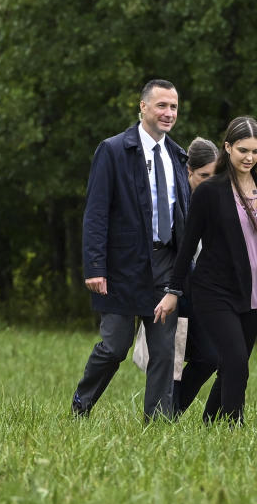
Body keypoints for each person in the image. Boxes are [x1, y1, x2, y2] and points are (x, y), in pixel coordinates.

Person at [154, 116, 257, 425]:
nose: (249, 158)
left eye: (256, 151)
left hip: (254, 295)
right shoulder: (211, 192)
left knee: (235, 364)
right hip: (214, 291)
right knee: (236, 362)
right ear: (227, 148)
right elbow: (187, 245)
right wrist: (173, 292)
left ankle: (211, 422)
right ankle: (234, 426)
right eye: (242, 150)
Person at [72, 79, 191, 420]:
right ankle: (82, 404)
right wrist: (94, 267)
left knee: (165, 350)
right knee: (115, 346)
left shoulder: (176, 155)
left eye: (174, 107)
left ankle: (158, 422)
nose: (169, 113)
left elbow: (183, 216)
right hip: (123, 266)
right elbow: (95, 213)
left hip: (165, 264)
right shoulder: (112, 150)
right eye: (161, 106)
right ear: (142, 107)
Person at [171, 137, 221, 415]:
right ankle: (161, 417)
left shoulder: (217, 198)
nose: (210, 181)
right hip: (177, 288)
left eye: (215, 175)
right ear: (188, 171)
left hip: (205, 290)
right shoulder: (176, 200)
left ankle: (173, 410)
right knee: (174, 359)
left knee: (209, 357)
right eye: (204, 175)